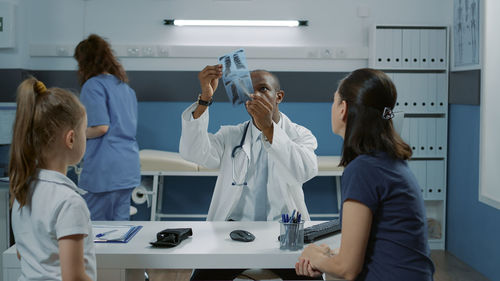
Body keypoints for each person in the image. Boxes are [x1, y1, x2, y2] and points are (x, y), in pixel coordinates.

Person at [180, 65, 319, 280]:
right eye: (250, 91)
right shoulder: (231, 136)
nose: (255, 95)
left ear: (278, 96)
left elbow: (303, 171)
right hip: (232, 236)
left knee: (310, 277)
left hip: (284, 235)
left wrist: (269, 129)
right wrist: (205, 99)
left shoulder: (300, 135)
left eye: (263, 89)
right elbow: (193, 152)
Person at [295, 68, 435, 281]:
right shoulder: (389, 163)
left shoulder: (363, 169)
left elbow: (347, 270)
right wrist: (329, 259)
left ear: (343, 109)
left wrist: (312, 254)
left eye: (334, 101)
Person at [9, 78, 96, 280]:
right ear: (71, 138)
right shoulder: (69, 202)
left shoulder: (22, 190)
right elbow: (73, 277)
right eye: (84, 130)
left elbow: (25, 255)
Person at [74, 34, 140, 221]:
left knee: (94, 230)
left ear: (84, 62)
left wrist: (75, 134)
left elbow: (101, 128)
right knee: (120, 229)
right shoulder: (125, 88)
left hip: (105, 169)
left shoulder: (92, 86)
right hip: (128, 167)